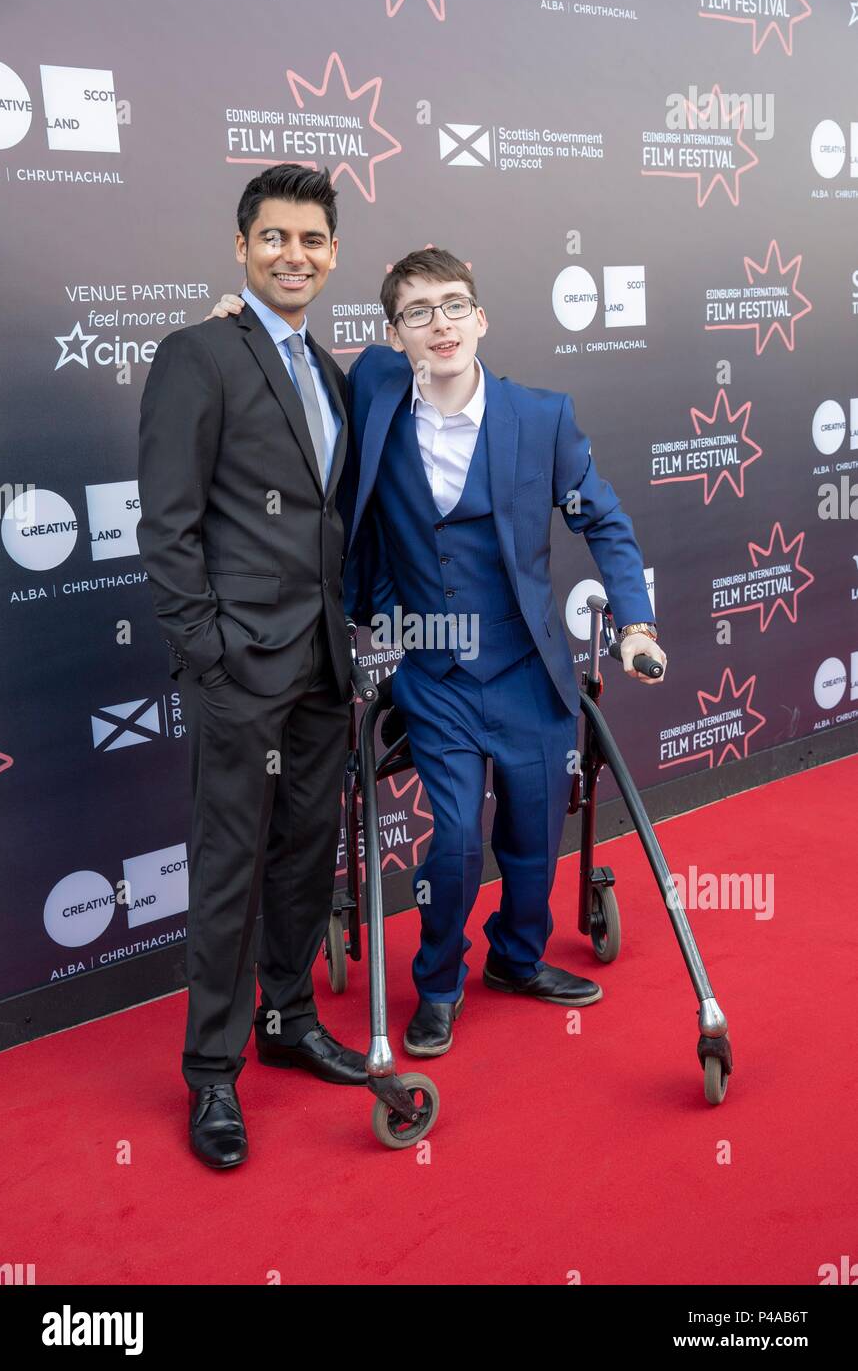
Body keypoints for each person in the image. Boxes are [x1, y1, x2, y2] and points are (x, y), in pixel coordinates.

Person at [209, 247, 667, 1061]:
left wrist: (636, 624)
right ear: (395, 334)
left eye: (455, 306)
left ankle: (518, 962)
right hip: (434, 671)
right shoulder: (377, 392)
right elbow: (298, 370)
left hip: (529, 668)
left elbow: (605, 520)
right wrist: (239, 331)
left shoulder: (542, 416)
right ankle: (441, 986)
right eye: (419, 313)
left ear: (482, 318)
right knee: (453, 841)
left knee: (532, 839)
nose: (441, 324)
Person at [137, 164, 367, 1171]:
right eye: (274, 238)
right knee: (228, 867)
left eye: (311, 240)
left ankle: (286, 1019)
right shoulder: (198, 354)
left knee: (302, 858)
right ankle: (213, 1072)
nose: (294, 255)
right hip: (240, 671)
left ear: (331, 254)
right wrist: (208, 656)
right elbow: (168, 524)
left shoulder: (329, 371)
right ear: (242, 247)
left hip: (321, 666)